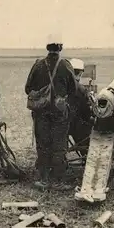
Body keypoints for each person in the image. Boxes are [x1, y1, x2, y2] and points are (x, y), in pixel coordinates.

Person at [25, 34, 77, 191]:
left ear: (47, 48)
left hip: (41, 112)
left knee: (43, 145)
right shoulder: (66, 65)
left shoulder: (38, 65)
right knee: (59, 145)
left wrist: (41, 93)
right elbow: (73, 90)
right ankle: (58, 181)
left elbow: (28, 88)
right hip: (59, 113)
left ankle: (43, 180)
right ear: (60, 47)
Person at [68, 58, 94, 158]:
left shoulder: (60, 86)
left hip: (59, 124)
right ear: (80, 73)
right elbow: (86, 112)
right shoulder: (81, 89)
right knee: (88, 127)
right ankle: (85, 154)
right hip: (74, 126)